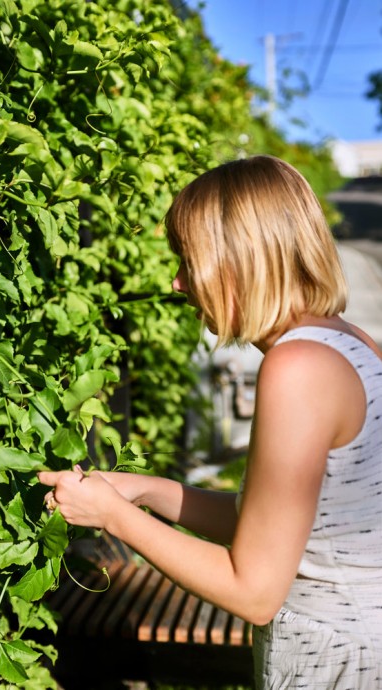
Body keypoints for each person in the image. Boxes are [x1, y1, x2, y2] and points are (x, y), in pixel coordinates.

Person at [39, 155, 382, 689]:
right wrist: (145, 490)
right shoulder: (350, 343)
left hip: (336, 664)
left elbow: (254, 590)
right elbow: (284, 530)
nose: (177, 282)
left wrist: (112, 515)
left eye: (188, 259)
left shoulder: (297, 369)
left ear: (239, 260)